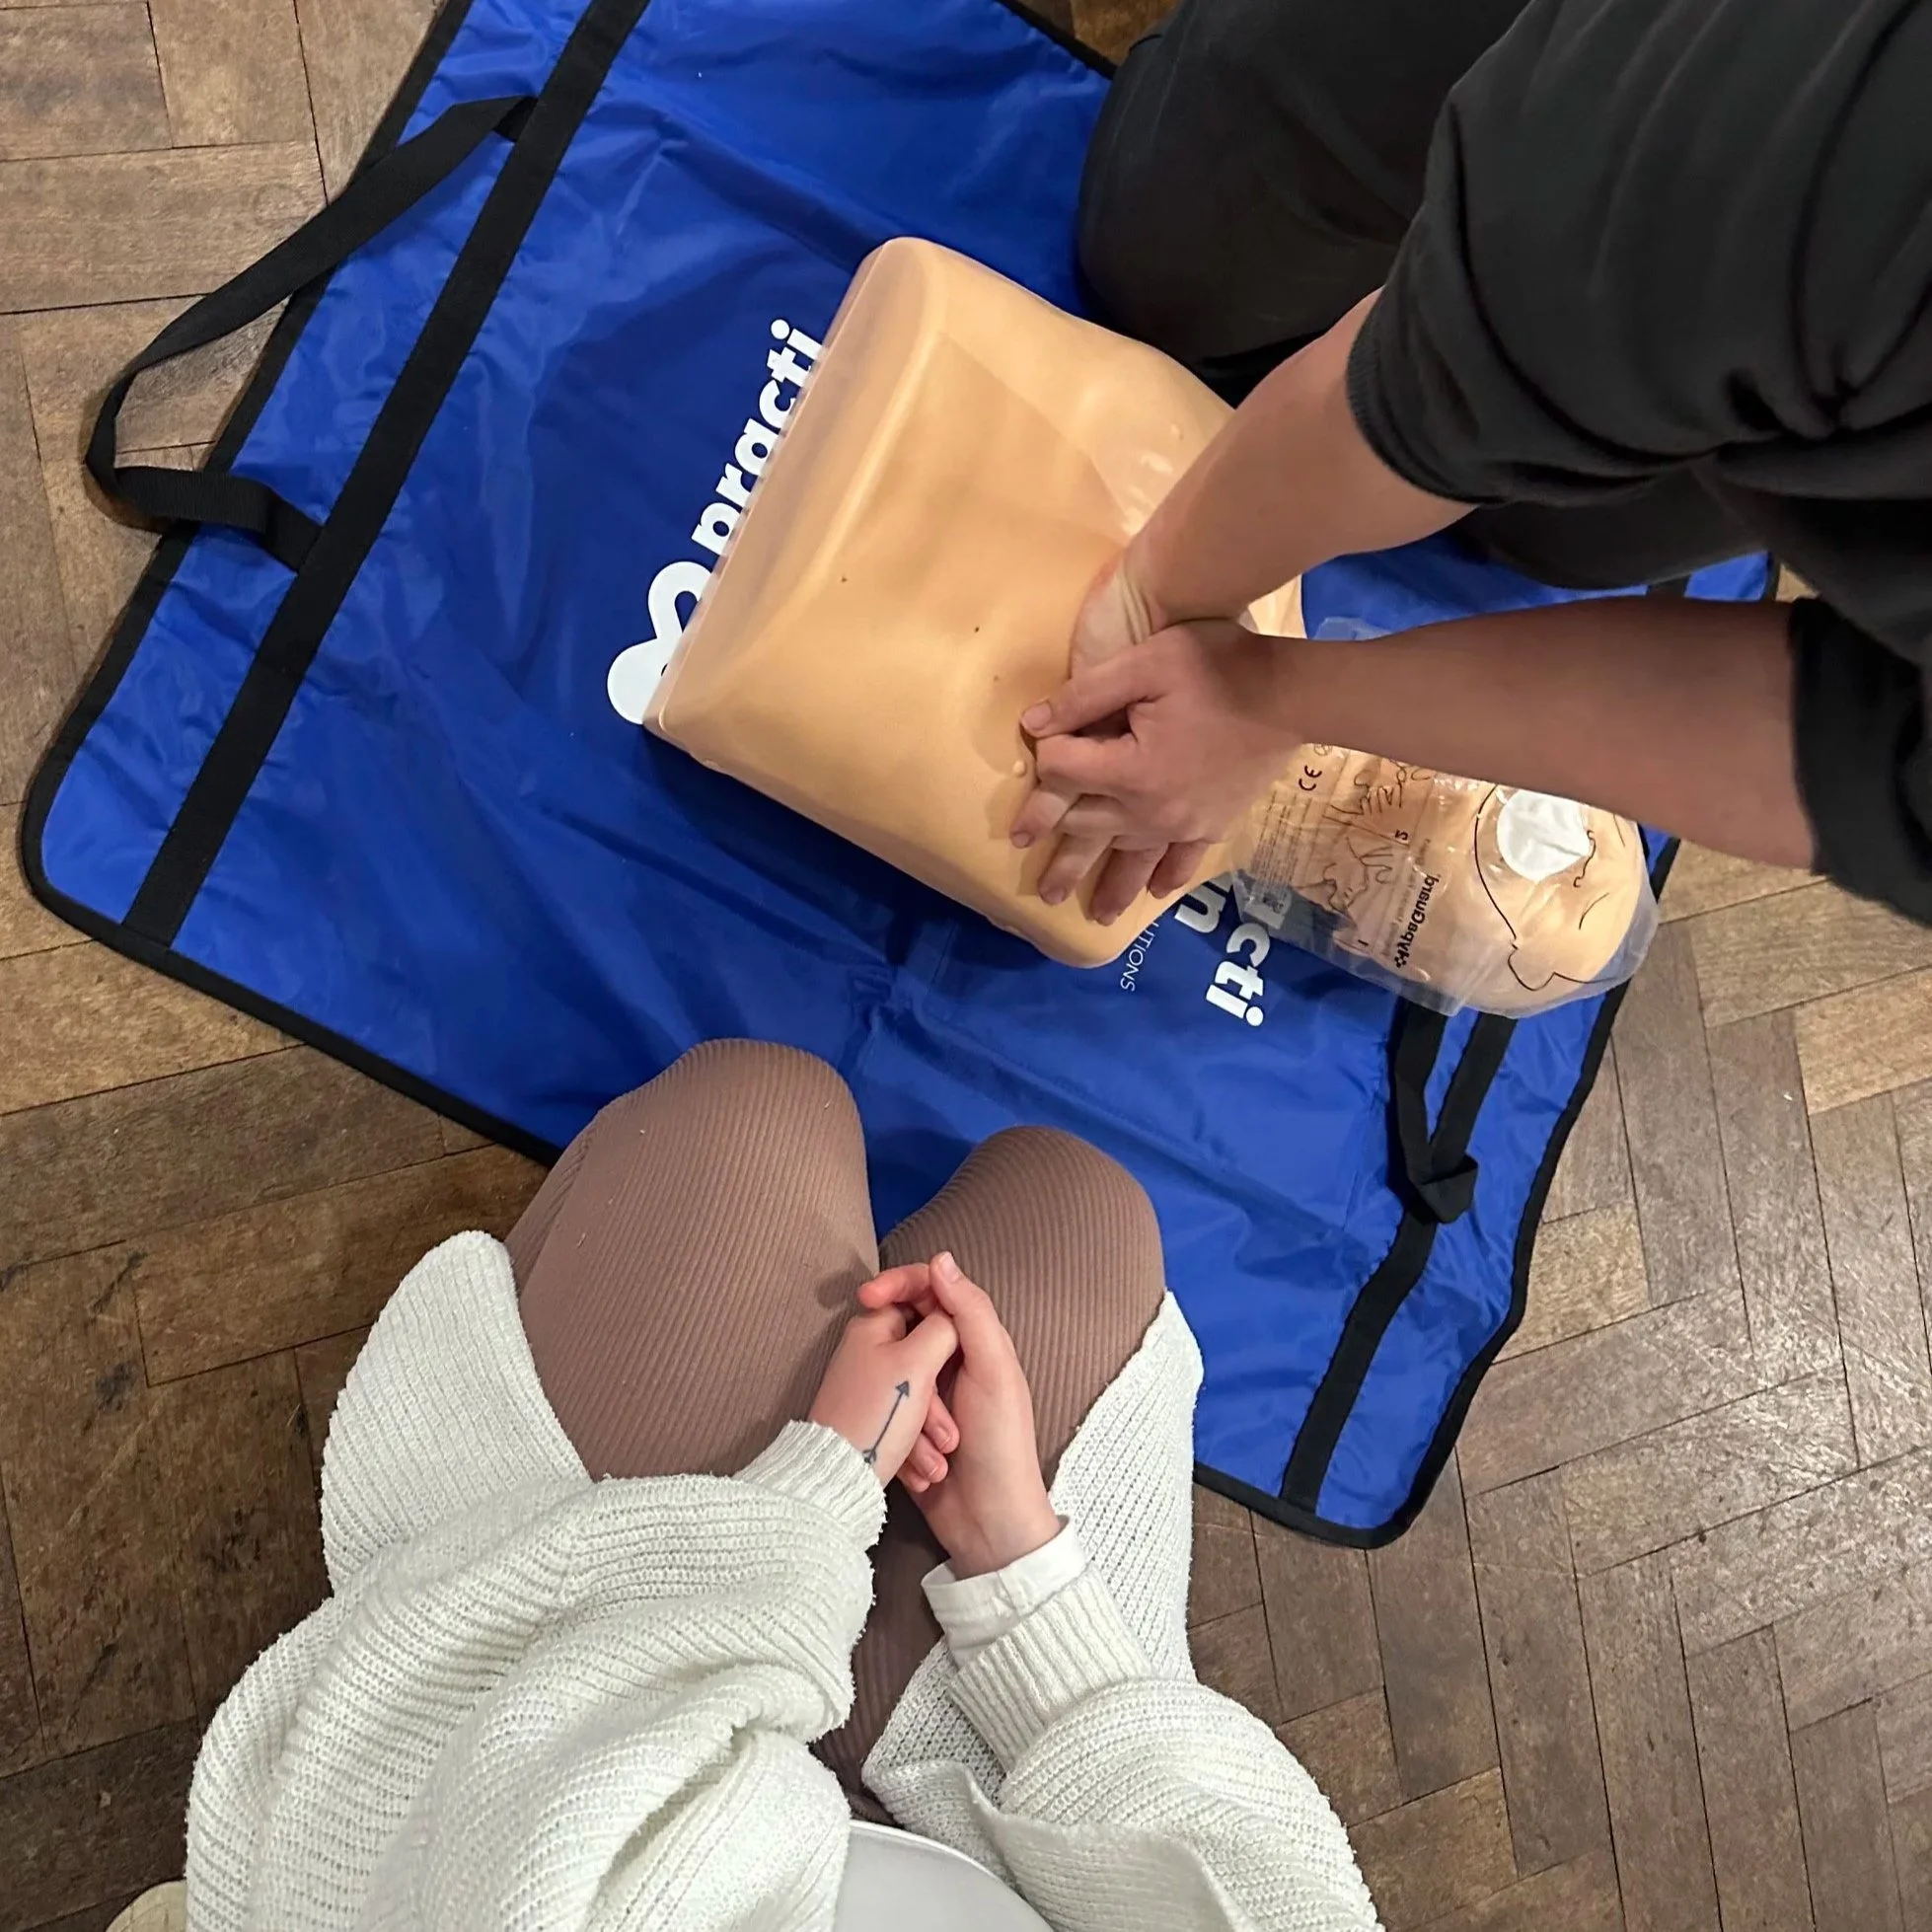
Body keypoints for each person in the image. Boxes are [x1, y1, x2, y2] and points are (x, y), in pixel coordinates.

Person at [149, 1040, 1379, 1930]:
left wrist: (820, 1488)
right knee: (1077, 1208)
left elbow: (530, 1848)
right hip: (988, 1836)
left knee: (755, 1108)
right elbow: (1265, 1897)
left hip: (579, 1764)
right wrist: (1022, 1573)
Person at [1011, 0, 1932, 934]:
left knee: (1571, 537)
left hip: (1797, 252)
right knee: (1166, 271)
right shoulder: (1872, 145)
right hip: (1768, 118)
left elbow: (1850, 759)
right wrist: (1160, 592)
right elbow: (1462, 361)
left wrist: (1265, 693)